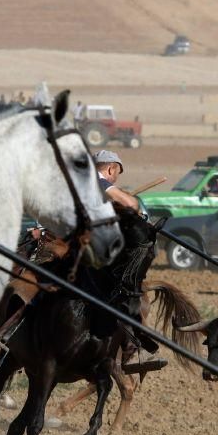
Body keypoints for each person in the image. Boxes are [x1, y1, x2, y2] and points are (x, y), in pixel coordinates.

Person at [93, 149, 165, 373]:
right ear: (111, 168)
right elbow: (130, 203)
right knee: (127, 288)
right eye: (117, 173)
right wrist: (133, 207)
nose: (116, 177)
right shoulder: (98, 181)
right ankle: (132, 346)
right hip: (88, 245)